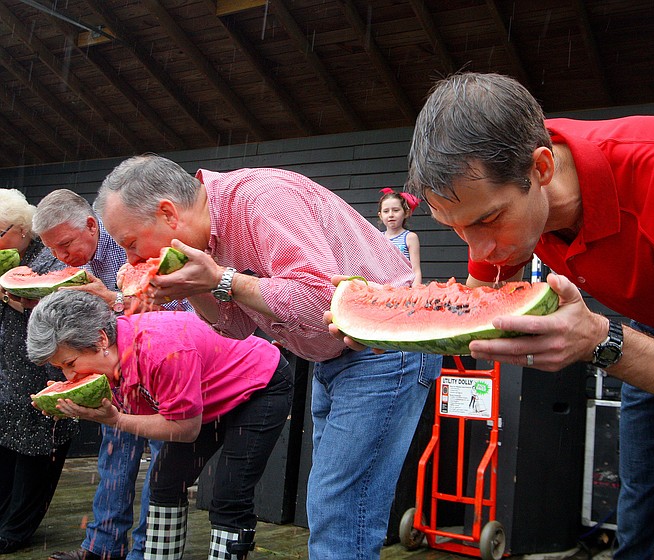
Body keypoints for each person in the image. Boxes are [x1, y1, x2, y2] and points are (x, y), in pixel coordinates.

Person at [396, 72, 654, 558]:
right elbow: (472, 311)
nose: (480, 250)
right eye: (457, 229)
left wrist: (600, 341)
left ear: (542, 168)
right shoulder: (491, 187)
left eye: (488, 221)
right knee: (638, 518)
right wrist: (376, 327)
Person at [92, 155, 443, 560]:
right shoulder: (210, 237)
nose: (133, 264)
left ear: (168, 213)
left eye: (132, 246)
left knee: (339, 505)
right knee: (333, 504)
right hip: (332, 359)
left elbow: (324, 302)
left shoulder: (261, 200)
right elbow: (236, 327)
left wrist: (223, 279)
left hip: (383, 347)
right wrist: (190, 287)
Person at [26, 290, 293, 560]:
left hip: (259, 386)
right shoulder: (114, 354)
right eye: (61, 368)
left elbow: (186, 430)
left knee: (229, 494)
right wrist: (77, 404)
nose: (69, 376)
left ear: (100, 339)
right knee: (164, 482)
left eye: (70, 363)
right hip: (203, 399)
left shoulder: (161, 352)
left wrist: (115, 420)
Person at [32, 189, 180, 560]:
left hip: (160, 368)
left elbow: (181, 307)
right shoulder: (66, 263)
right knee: (113, 457)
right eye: (53, 251)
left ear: (92, 225)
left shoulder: (134, 243)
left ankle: (146, 552)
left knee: (163, 464)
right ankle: (101, 548)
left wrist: (114, 298)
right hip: (110, 373)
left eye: (66, 244)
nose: (62, 257)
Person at [0, 189, 79, 554]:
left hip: (40, 371)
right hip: (6, 372)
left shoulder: (49, 260)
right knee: (5, 454)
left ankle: (18, 529)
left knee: (36, 454)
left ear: (20, 229)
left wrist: (19, 301)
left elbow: (63, 316)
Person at [377, 187, 423, 286]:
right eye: (386, 211)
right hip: (383, 289)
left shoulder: (410, 237)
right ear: (380, 215)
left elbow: (416, 270)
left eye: (396, 210)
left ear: (406, 213)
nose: (391, 215)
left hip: (404, 291)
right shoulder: (378, 237)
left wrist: (415, 292)